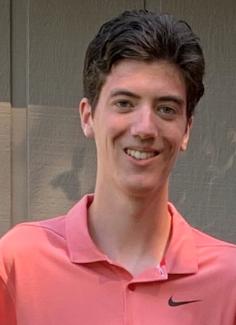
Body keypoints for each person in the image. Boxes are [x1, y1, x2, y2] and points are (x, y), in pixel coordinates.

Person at [0, 9, 235, 325]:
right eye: (124, 103)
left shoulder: (228, 280)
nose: (144, 128)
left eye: (166, 109)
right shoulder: (18, 263)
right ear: (88, 117)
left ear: (186, 130)